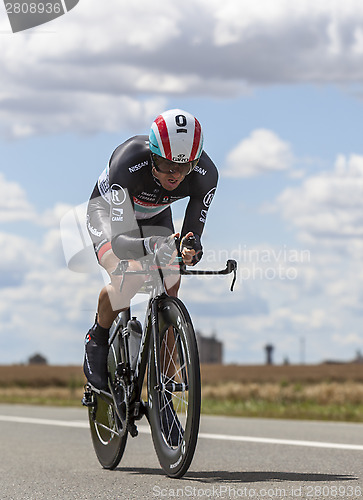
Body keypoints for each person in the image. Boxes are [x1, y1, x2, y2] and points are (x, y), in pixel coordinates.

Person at [83, 109, 218, 391]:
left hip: (156, 216)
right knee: (129, 275)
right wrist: (152, 245)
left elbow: (192, 237)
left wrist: (189, 250)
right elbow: (121, 242)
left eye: (185, 167)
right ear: (152, 155)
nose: (176, 174)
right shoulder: (128, 162)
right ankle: (97, 336)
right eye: (167, 164)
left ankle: (169, 383)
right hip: (108, 217)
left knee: (171, 280)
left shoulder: (206, 175)